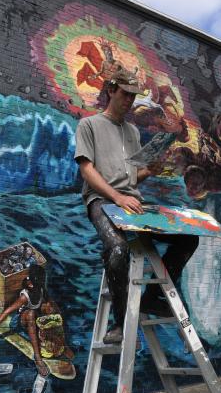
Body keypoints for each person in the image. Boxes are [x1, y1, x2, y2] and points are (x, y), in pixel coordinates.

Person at [74, 72, 199, 345]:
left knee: (189, 238)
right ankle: (119, 324)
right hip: (101, 200)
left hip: (133, 203)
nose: (129, 100)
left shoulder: (132, 132)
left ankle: (153, 299)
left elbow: (132, 177)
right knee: (118, 250)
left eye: (133, 95)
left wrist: (149, 171)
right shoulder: (89, 124)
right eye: (125, 94)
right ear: (111, 90)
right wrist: (117, 197)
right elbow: (87, 170)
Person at [0, 264, 73, 376]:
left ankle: (62, 345)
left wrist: (55, 320)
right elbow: (8, 311)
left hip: (36, 317)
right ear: (31, 285)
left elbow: (53, 305)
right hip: (22, 321)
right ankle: (37, 357)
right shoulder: (25, 296)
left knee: (50, 306)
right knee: (31, 313)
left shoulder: (40, 289)